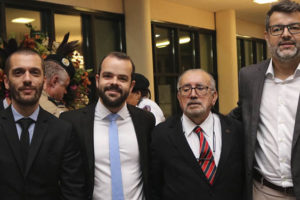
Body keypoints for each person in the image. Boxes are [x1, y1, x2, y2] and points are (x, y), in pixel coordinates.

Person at [60, 52, 155, 200]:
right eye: (108, 76)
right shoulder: (72, 122)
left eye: (122, 78)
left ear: (131, 86)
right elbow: (69, 180)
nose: (114, 82)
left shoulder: (146, 121)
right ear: (98, 80)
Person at [229, 1, 300, 199]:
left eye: (294, 27)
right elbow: (240, 116)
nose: (286, 34)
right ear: (267, 36)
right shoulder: (249, 77)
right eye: (277, 29)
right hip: (264, 191)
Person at [0, 49, 86, 200]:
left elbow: (73, 192)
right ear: (6, 82)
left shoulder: (62, 131)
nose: (27, 79)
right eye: (19, 72)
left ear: (44, 80)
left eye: (34, 72)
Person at [151, 69, 244, 200]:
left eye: (200, 88)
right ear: (178, 97)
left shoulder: (236, 131)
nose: (193, 94)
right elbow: (155, 187)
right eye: (186, 89)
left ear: (214, 96)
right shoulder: (161, 134)